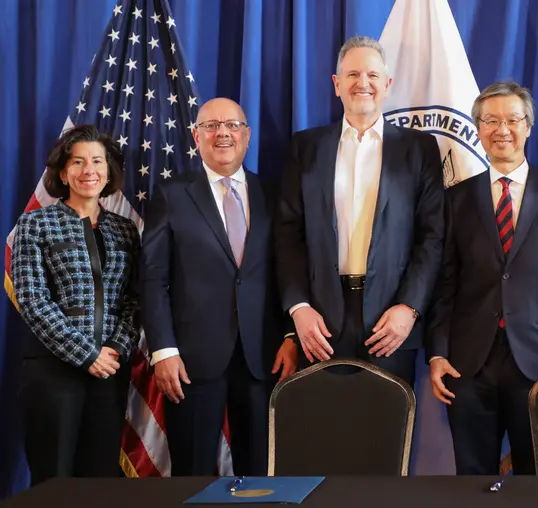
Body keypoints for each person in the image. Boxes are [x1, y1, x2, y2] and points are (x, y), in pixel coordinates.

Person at [427, 81, 538, 475]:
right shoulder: (455, 199)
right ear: (478, 129)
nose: (502, 129)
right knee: (472, 474)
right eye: (490, 121)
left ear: (528, 126)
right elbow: (444, 283)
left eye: (512, 119)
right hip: (467, 363)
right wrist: (437, 352)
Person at [141, 98, 298, 476]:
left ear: (247, 135)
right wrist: (163, 350)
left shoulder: (274, 194)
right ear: (196, 137)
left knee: (261, 473)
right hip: (191, 362)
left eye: (232, 125)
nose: (222, 133)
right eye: (211, 126)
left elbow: (289, 271)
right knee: (192, 473)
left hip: (264, 358)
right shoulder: (171, 194)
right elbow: (152, 277)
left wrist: (292, 336)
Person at [275, 36, 443, 388]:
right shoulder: (305, 148)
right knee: (326, 436)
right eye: (352, 74)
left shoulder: (419, 149)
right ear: (337, 85)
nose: (362, 83)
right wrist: (298, 308)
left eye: (371, 75)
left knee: (389, 436)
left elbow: (432, 236)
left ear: (387, 85)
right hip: (319, 322)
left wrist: (409, 307)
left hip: (391, 322)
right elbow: (287, 234)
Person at [12, 124, 140, 484]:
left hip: (109, 372)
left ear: (109, 170)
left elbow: (135, 298)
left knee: (98, 479)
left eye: (97, 161)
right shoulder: (37, 223)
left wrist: (115, 348)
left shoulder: (125, 229)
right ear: (63, 172)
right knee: (53, 479)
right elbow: (33, 299)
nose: (89, 171)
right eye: (78, 162)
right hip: (53, 373)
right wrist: (87, 354)